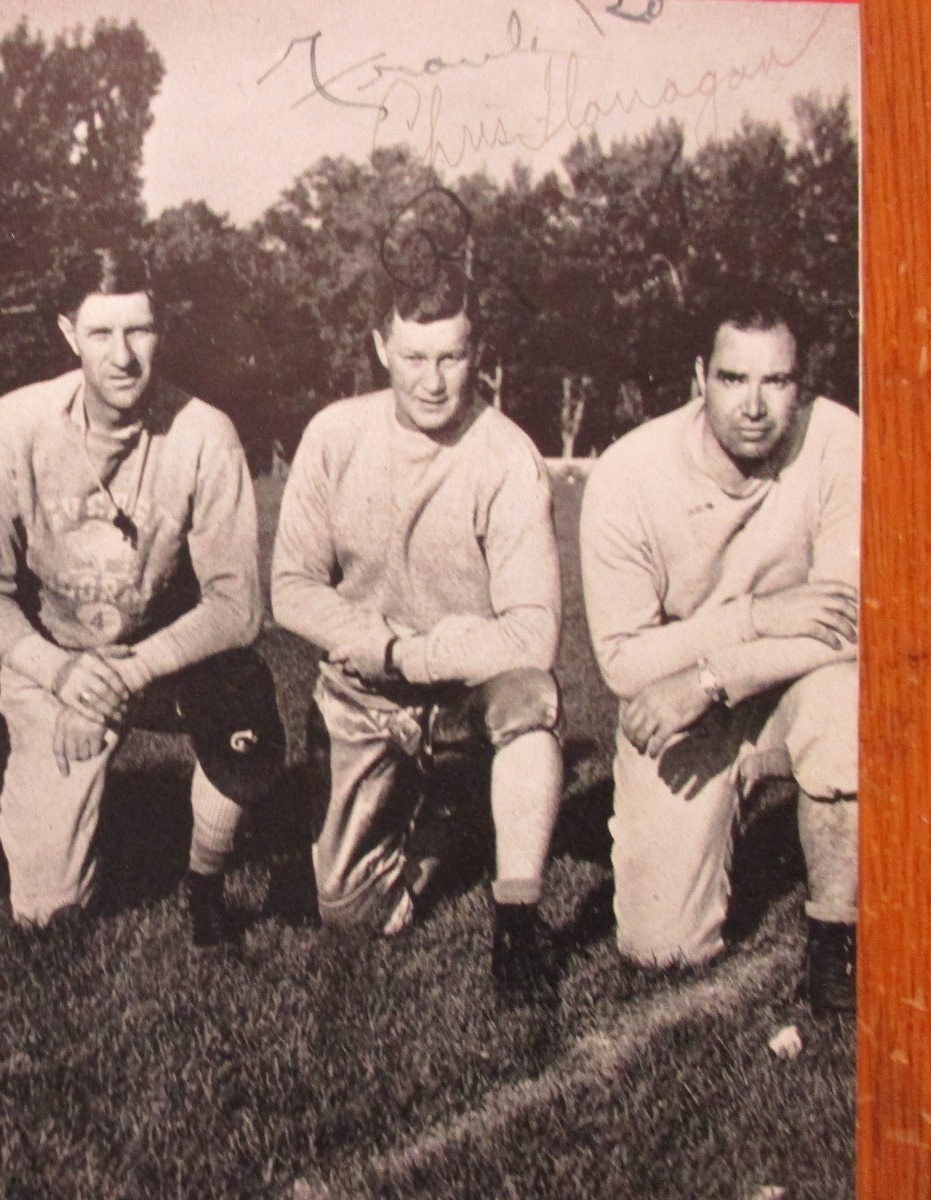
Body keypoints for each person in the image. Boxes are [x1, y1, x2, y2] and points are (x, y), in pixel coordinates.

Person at [0, 245, 286, 946]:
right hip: (57, 660)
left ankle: (204, 882)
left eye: (140, 330)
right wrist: (67, 675)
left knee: (241, 698)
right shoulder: (15, 426)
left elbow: (236, 606)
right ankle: (27, 746)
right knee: (48, 913)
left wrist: (129, 672)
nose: (124, 355)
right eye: (101, 333)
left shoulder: (203, 432)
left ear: (161, 330)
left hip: (162, 661)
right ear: (68, 333)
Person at [271, 263, 564, 1003]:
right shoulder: (335, 434)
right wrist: (377, 647)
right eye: (414, 358)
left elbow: (534, 635)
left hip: (464, 692)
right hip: (363, 691)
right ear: (380, 348)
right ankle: (448, 819)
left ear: (478, 353)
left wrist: (417, 654)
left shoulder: (508, 457)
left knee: (531, 702)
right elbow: (291, 589)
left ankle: (518, 920)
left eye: (452, 357)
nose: (433, 381)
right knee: (352, 914)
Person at [580, 287, 858, 1011]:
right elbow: (623, 663)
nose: (756, 405)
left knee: (846, 701)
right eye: (735, 379)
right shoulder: (630, 474)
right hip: (682, 709)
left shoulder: (839, 441)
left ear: (804, 384)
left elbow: (854, 622)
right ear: (699, 378)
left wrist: (712, 676)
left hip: (777, 688)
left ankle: (837, 944)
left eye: (778, 380)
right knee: (662, 947)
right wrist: (758, 615)